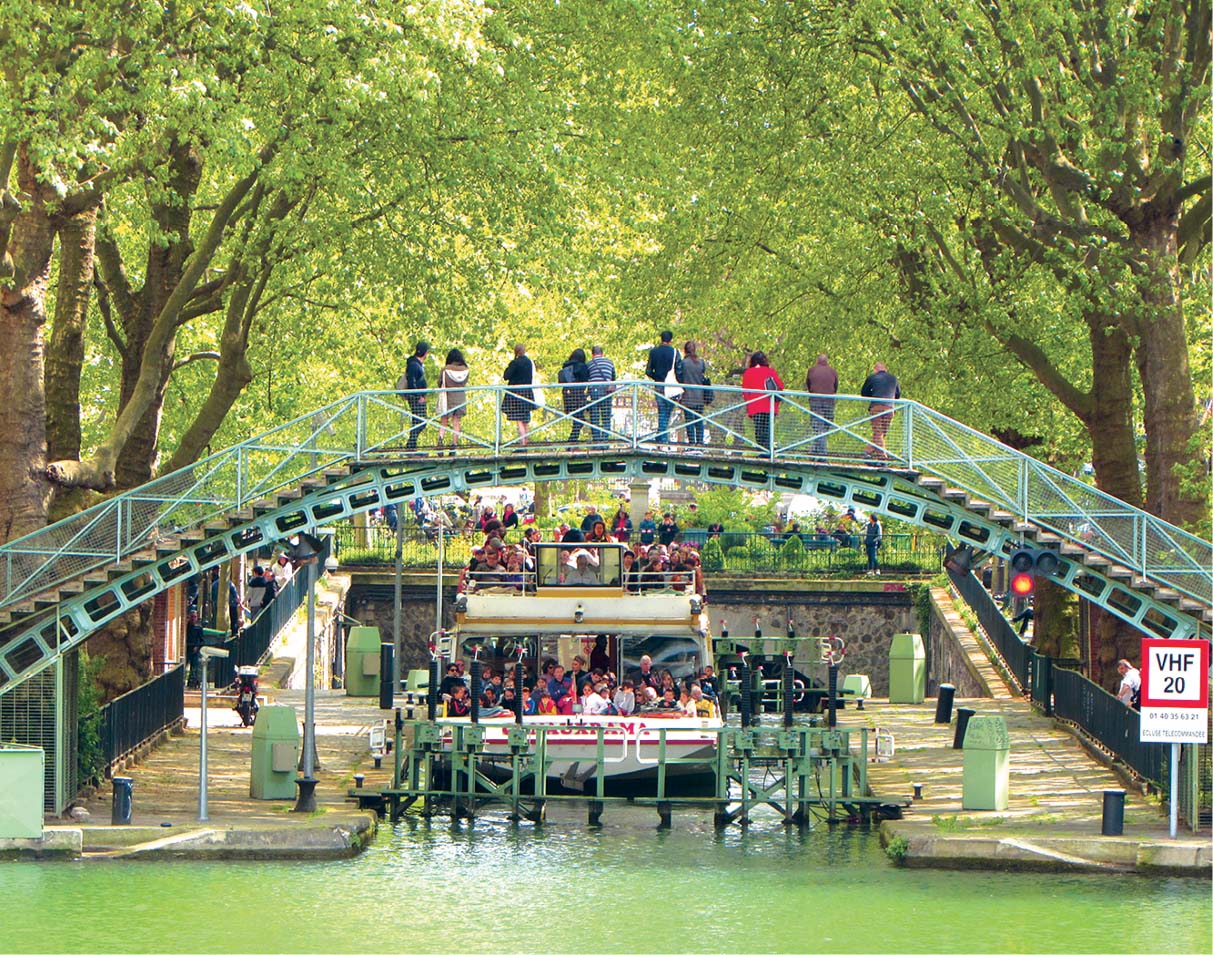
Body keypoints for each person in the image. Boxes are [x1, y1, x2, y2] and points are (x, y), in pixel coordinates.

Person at [741, 351, 784, 454]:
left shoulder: (748, 373)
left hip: (756, 407)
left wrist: (749, 405)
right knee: (768, 429)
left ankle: (763, 450)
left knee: (759, 430)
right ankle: (769, 451)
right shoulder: (770, 372)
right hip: (770, 406)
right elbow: (780, 387)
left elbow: (745, 392)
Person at [645, 329, 682, 443]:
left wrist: (657, 377)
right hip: (671, 386)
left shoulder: (654, 352)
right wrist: (681, 386)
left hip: (659, 384)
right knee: (667, 411)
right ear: (671, 340)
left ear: (661, 339)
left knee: (662, 411)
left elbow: (648, 371)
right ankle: (662, 438)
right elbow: (679, 371)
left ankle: (661, 437)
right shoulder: (675, 352)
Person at [860, 361, 901, 462]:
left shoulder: (872, 378)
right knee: (881, 433)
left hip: (876, 407)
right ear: (885, 369)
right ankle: (869, 452)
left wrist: (874, 395)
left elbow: (864, 393)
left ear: (875, 370)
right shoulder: (893, 378)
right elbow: (898, 394)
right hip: (889, 408)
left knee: (878, 433)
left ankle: (879, 457)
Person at [398, 340, 430, 451]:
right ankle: (410, 445)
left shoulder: (417, 364)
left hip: (418, 397)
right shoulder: (413, 365)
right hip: (415, 399)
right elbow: (412, 383)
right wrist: (418, 396)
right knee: (420, 421)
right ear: (426, 353)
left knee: (419, 421)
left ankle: (412, 445)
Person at [436, 348, 469, 455]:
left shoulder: (445, 370)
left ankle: (440, 441)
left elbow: (440, 382)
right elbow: (465, 382)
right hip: (460, 399)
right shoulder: (465, 370)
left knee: (444, 421)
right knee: (456, 422)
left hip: (447, 398)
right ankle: (454, 445)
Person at [805, 353, 838, 458]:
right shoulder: (833, 371)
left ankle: (821, 451)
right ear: (826, 362)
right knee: (826, 425)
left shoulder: (812, 370)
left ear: (817, 361)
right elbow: (835, 386)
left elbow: (809, 385)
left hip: (815, 401)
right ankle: (818, 449)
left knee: (818, 426)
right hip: (829, 401)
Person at [502, 343, 536, 446]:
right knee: (525, 420)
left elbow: (506, 376)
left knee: (519, 420)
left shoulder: (515, 363)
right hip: (527, 393)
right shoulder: (529, 363)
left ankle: (522, 444)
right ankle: (526, 442)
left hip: (516, 395)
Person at [678, 341, 709, 446]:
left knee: (689, 420)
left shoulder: (683, 363)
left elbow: (679, 377)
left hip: (687, 395)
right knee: (699, 420)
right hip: (699, 396)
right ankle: (700, 441)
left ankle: (691, 441)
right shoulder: (701, 363)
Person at [586, 345, 617, 446]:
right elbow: (613, 378)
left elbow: (587, 378)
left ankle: (596, 441)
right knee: (606, 416)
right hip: (606, 391)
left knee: (594, 416)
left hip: (594, 391)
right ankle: (605, 441)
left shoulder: (589, 364)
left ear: (592, 354)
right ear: (602, 353)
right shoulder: (609, 362)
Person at [558, 348, 591, 444]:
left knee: (578, 419)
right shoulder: (582, 367)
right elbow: (585, 381)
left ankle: (572, 442)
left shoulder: (565, 367)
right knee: (579, 420)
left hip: (567, 396)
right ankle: (571, 442)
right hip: (578, 396)